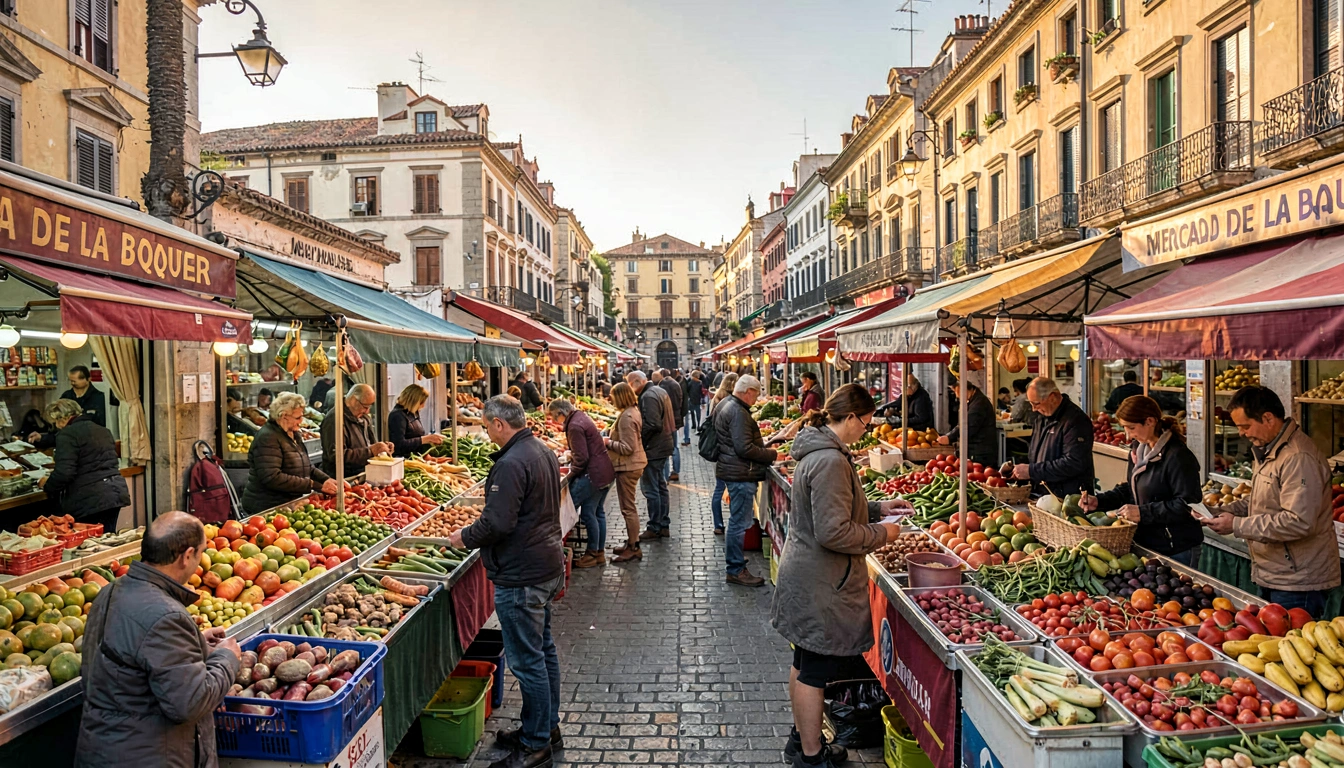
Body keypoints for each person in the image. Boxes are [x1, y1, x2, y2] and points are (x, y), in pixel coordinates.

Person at [771, 385, 912, 768]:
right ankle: (812, 757)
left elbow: (838, 509)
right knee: (814, 670)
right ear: (850, 418)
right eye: (865, 424)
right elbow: (833, 531)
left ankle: (801, 741)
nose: (866, 431)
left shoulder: (821, 454)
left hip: (810, 574)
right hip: (821, 581)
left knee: (804, 662)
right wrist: (884, 533)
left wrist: (879, 508)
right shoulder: (831, 461)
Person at [74, 511, 242, 768]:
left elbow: (131, 654)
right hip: (148, 755)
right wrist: (227, 658)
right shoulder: (167, 616)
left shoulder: (110, 591)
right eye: (200, 553)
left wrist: (194, 641)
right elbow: (190, 702)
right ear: (186, 556)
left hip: (104, 747)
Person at [449, 396, 563, 768]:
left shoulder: (511, 462)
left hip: (521, 574)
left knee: (529, 661)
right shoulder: (540, 450)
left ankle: (535, 744)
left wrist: (463, 536)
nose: (487, 433)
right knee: (542, 652)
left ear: (499, 424)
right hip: (544, 564)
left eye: (486, 426)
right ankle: (545, 727)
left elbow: (497, 523)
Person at [1199, 386, 1339, 614]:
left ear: (1267, 418)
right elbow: (1260, 501)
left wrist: (1236, 525)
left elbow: (1298, 521)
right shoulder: (1270, 450)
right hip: (1275, 573)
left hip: (1297, 581)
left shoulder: (1297, 458)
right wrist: (1219, 511)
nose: (1242, 433)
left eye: (1245, 426)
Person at [1079, 395, 1203, 564]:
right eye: (1124, 428)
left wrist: (1142, 512)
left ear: (1150, 421)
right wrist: (1099, 501)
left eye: (1131, 428)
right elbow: (1130, 488)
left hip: (1176, 547)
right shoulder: (1138, 448)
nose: (1128, 435)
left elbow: (1188, 505)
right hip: (1148, 543)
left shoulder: (1178, 457)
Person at [714, 374, 777, 587]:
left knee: (737, 522)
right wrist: (770, 454)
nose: (757, 399)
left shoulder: (727, 404)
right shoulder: (738, 412)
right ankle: (735, 569)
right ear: (747, 391)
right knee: (738, 523)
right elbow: (744, 448)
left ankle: (736, 561)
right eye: (756, 394)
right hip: (740, 473)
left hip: (734, 470)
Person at [39, 398, 130, 533]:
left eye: (55, 422)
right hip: (115, 493)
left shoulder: (67, 434)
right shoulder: (103, 430)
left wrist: (48, 486)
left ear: (61, 418)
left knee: (89, 544)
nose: (57, 426)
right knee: (107, 538)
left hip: (89, 499)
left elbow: (65, 472)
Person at [242, 391, 339, 513]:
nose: (301, 421)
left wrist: (326, 480)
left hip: (289, 503)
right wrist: (314, 485)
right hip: (267, 506)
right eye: (298, 417)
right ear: (283, 416)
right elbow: (272, 477)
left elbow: (307, 466)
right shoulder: (268, 438)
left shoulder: (294, 434)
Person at [549, 398, 615, 568]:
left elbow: (582, 459)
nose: (556, 421)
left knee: (587, 513)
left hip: (592, 475)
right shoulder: (580, 417)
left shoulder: (574, 426)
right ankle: (598, 553)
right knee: (596, 512)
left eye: (555, 417)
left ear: (561, 413)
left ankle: (592, 553)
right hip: (604, 471)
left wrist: (570, 475)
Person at [1012, 377, 1094, 496]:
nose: (1034, 409)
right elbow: (1036, 454)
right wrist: (1019, 470)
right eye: (1031, 404)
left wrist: (1031, 471)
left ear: (1052, 397)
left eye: (1036, 403)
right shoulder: (1041, 418)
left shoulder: (1076, 421)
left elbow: (1073, 463)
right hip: (1045, 493)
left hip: (1069, 497)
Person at [627, 370, 674, 540]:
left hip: (654, 448)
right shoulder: (659, 390)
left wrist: (640, 441)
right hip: (663, 445)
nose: (631, 389)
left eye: (631, 385)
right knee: (660, 486)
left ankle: (654, 526)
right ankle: (663, 524)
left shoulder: (648, 396)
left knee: (651, 488)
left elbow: (653, 424)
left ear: (637, 382)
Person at [605, 382, 648, 562]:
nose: (611, 400)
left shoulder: (626, 417)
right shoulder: (632, 411)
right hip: (632, 464)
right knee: (628, 507)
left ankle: (633, 547)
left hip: (629, 466)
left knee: (628, 508)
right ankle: (632, 541)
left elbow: (627, 447)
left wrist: (607, 443)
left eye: (613, 397)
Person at [320, 383, 393, 479]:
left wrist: (382, 449)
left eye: (369, 407)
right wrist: (370, 451)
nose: (367, 411)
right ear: (354, 400)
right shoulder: (334, 420)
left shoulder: (364, 417)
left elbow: (371, 444)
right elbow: (337, 456)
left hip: (363, 475)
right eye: (365, 406)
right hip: (343, 480)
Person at [938, 379, 997, 467]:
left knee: (978, 475)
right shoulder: (975, 400)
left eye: (956, 392)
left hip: (980, 452)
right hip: (979, 449)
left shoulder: (979, 404)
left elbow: (968, 426)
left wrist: (950, 438)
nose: (957, 397)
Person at [388, 384, 445, 457]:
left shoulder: (413, 413)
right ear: (413, 401)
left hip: (418, 457)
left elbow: (417, 436)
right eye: (421, 403)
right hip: (405, 460)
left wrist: (430, 441)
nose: (423, 406)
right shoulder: (397, 416)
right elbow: (399, 445)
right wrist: (425, 439)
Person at [657, 368, 685, 481]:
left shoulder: (661, 386)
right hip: (676, 418)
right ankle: (676, 471)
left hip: (666, 420)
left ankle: (666, 475)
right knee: (675, 446)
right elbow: (681, 401)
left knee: (666, 448)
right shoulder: (676, 385)